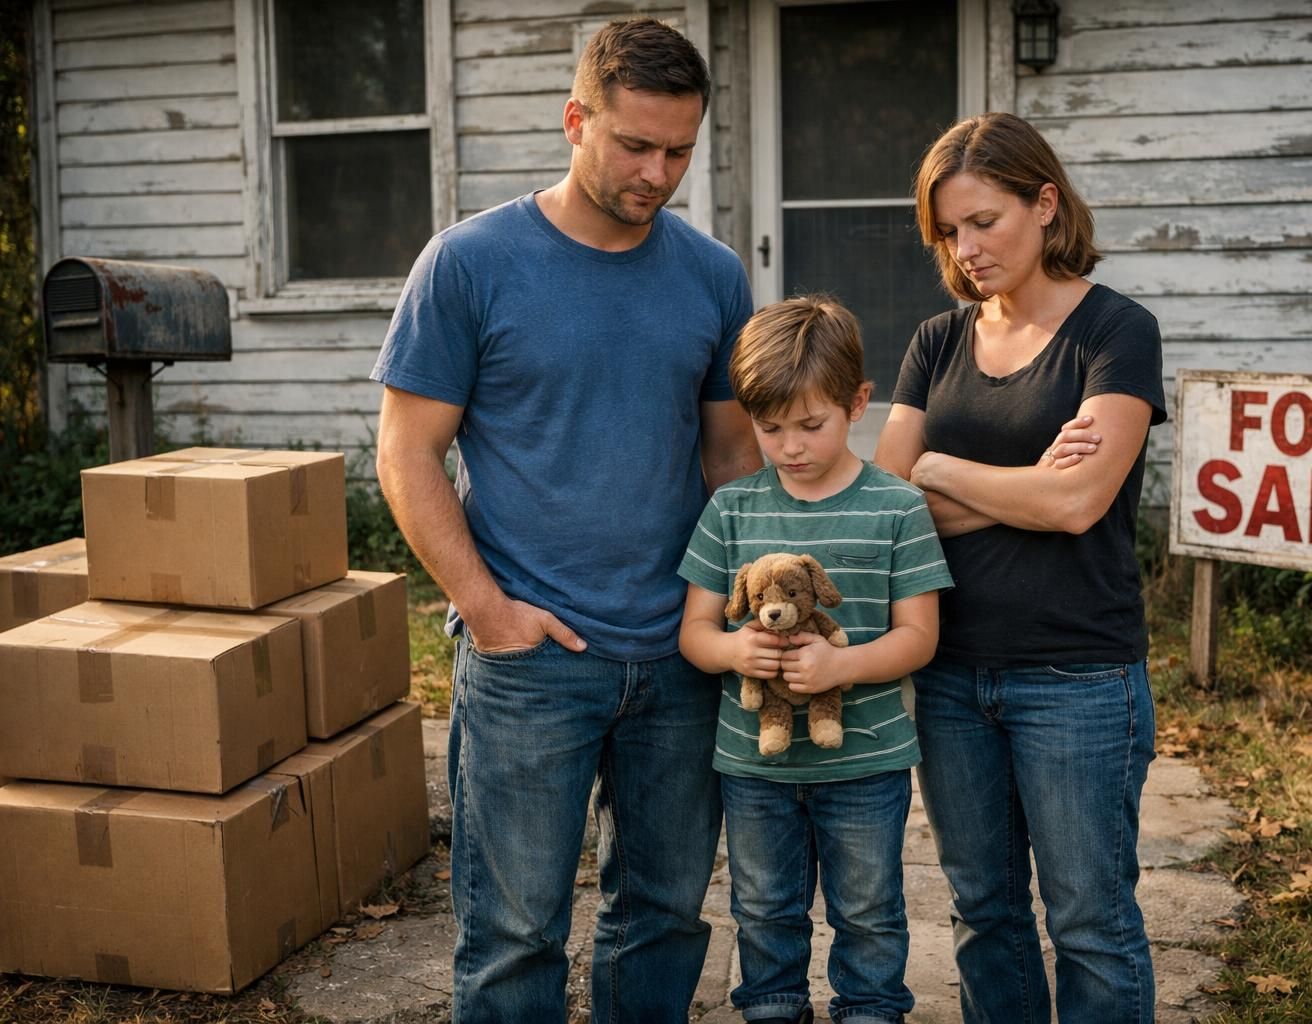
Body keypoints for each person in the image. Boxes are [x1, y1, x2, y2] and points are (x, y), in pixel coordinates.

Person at [370, 18, 762, 1024]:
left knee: (666, 915)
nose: (657, 172)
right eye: (635, 144)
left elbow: (729, 460)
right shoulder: (469, 264)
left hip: (680, 653)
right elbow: (407, 454)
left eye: (679, 150)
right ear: (575, 119)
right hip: (530, 661)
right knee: (512, 937)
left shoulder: (714, 276)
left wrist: (731, 609)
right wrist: (485, 608)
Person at [873, 112, 1168, 1024]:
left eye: (985, 222)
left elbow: (1079, 505)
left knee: (1089, 920)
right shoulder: (937, 342)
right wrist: (1029, 481)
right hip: (951, 674)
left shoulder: (1117, 331)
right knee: (984, 913)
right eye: (950, 232)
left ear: (1045, 204)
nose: (966, 250)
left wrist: (942, 470)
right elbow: (883, 514)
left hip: (1077, 675)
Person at [676, 296, 954, 1024]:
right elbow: (695, 633)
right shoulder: (731, 510)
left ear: (858, 404)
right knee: (764, 911)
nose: (790, 446)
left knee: (867, 910)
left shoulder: (897, 507)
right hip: (756, 767)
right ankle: (773, 1009)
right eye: (770, 429)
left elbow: (919, 636)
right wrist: (736, 647)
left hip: (866, 761)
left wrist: (841, 667)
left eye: (811, 424)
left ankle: (868, 1010)